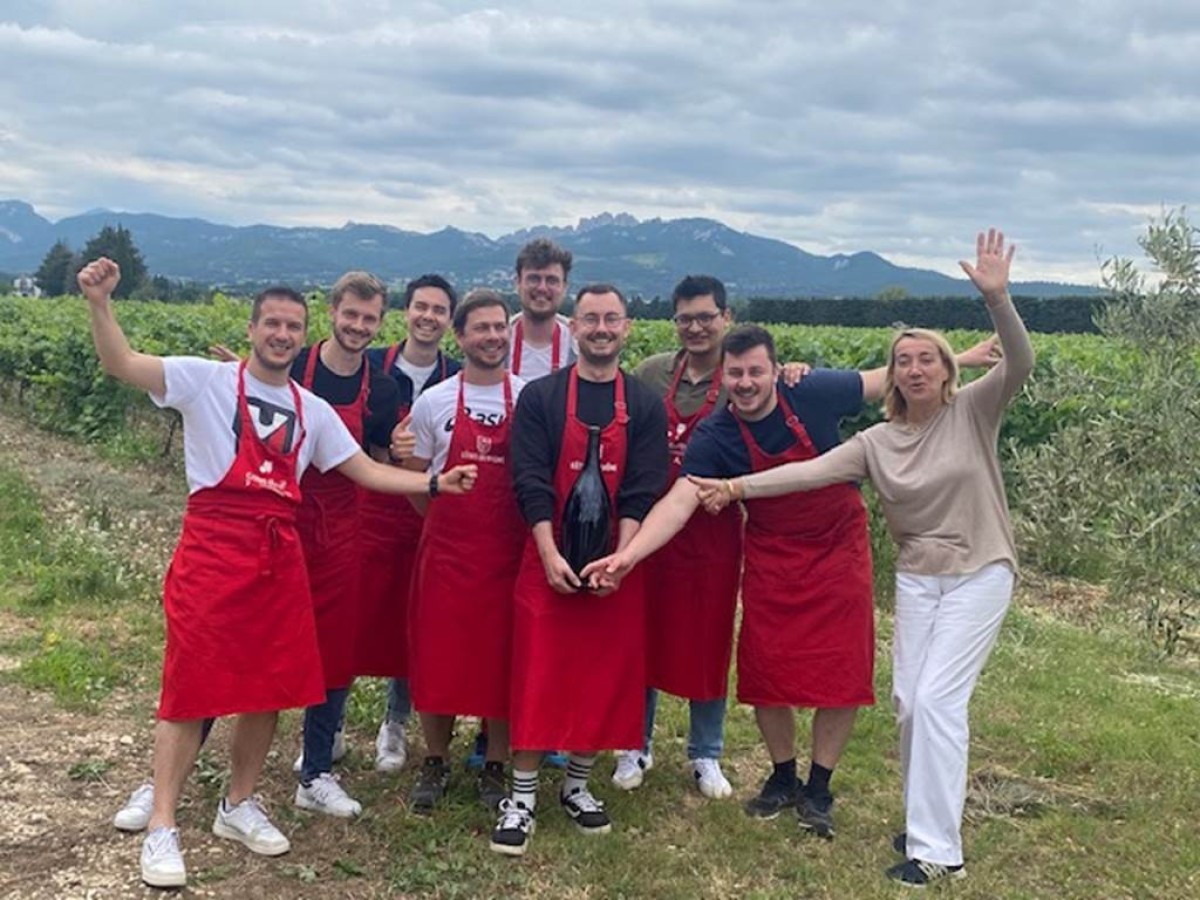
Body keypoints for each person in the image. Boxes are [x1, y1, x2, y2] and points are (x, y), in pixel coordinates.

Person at [78, 257, 476, 889]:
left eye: (292, 326)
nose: (282, 334)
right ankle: (162, 821)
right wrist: (100, 304)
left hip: (279, 553)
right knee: (190, 685)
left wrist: (433, 483)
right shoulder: (205, 381)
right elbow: (121, 363)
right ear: (253, 328)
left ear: (302, 333)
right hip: (214, 550)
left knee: (268, 687)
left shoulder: (310, 408)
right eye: (272, 324)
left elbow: (366, 471)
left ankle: (238, 803)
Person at [690, 230, 1033, 886]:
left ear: (947, 369)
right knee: (909, 703)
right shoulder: (877, 440)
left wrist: (998, 300)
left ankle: (938, 852)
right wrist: (734, 489)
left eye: (926, 359)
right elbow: (806, 472)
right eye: (903, 361)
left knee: (936, 700)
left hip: (980, 570)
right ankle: (925, 821)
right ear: (893, 375)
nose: (914, 369)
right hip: (919, 577)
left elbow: (1019, 362)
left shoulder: (974, 410)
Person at [586, 312, 1001, 840]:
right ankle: (782, 776)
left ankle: (819, 785)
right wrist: (628, 556)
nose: (745, 383)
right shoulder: (717, 433)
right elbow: (680, 500)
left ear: (776, 370)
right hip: (772, 551)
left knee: (841, 671)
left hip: (837, 548)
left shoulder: (812, 391)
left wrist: (959, 360)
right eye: (736, 374)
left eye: (755, 372)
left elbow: (887, 379)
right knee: (765, 667)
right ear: (725, 377)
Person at [490, 284, 668, 856]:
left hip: (616, 561)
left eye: (612, 318)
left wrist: (622, 559)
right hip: (547, 555)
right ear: (574, 328)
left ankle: (576, 785)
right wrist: (548, 552)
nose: (601, 328)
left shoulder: (643, 404)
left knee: (602, 676)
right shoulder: (542, 398)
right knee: (537, 673)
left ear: (627, 327)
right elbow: (529, 479)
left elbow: (643, 486)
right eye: (590, 318)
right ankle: (520, 797)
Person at [404, 290, 527, 814]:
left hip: (509, 554)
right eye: (481, 328)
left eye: (500, 327)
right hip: (448, 555)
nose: (493, 336)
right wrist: (443, 525)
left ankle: (496, 764)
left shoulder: (528, 398)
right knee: (439, 657)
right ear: (460, 336)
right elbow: (415, 480)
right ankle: (435, 759)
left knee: (503, 660)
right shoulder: (433, 402)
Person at [289, 271, 398, 818]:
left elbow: (378, 462)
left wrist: (405, 453)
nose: (358, 326)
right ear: (332, 311)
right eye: (350, 314)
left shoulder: (384, 389)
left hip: (344, 527)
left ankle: (315, 771)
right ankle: (186, 758)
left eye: (369, 318)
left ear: (380, 323)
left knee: (336, 647)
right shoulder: (293, 365)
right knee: (249, 637)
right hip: (284, 519)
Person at [358, 275, 461, 773]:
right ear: (406, 311)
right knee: (354, 618)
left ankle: (395, 723)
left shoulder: (458, 376)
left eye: (439, 310)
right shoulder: (369, 365)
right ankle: (328, 726)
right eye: (422, 306)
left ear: (449, 321)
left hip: (425, 512)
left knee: (412, 623)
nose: (428, 316)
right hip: (368, 509)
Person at [507, 238, 576, 379]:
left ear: (564, 287)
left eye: (551, 280)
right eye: (534, 279)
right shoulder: (497, 343)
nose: (542, 288)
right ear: (517, 283)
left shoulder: (579, 347)